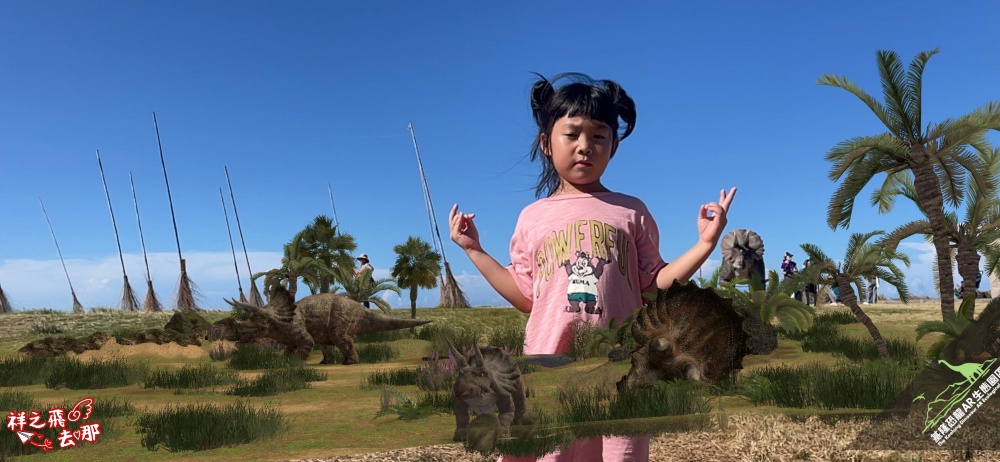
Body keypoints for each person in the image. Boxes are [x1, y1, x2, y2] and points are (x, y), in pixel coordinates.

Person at [449, 73, 737, 462]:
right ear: (546, 144)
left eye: (599, 136)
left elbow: (654, 286)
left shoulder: (631, 211)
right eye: (572, 134)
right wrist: (475, 250)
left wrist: (704, 244)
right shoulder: (532, 217)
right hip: (549, 364)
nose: (585, 146)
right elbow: (525, 296)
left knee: (619, 448)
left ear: (613, 146)